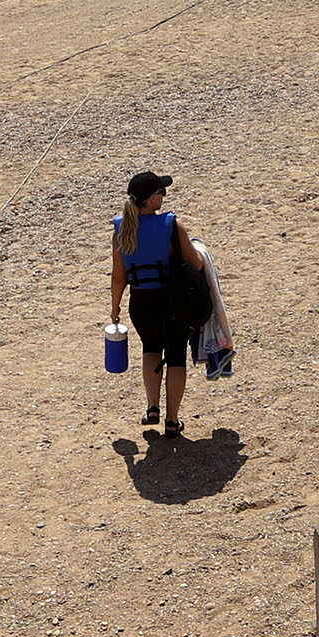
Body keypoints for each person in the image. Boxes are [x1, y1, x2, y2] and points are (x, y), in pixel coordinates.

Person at [109, 171, 209, 439]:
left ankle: (152, 406)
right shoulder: (171, 225)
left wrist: (114, 307)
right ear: (152, 199)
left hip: (140, 301)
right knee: (176, 356)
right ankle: (172, 421)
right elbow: (196, 264)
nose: (164, 196)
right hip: (171, 300)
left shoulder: (121, 228)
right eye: (161, 192)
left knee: (150, 348)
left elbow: (119, 276)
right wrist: (199, 250)